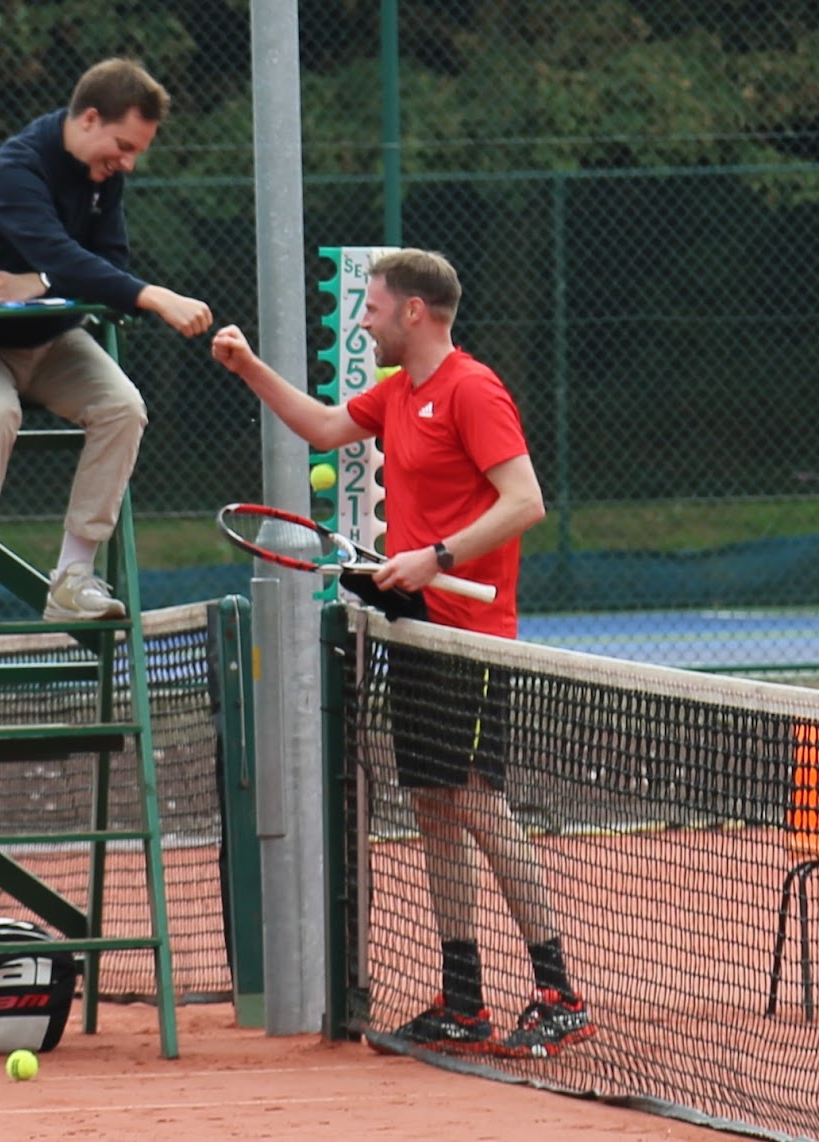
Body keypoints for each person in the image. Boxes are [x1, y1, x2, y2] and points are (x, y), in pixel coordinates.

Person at [211, 249, 593, 1060]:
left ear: (414, 311)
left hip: (471, 635)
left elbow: (526, 501)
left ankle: (559, 989)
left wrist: (439, 557)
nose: (365, 321)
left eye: (374, 310)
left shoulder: (472, 389)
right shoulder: (399, 394)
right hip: (419, 629)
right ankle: (465, 1002)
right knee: (433, 808)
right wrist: (247, 366)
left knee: (477, 802)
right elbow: (320, 425)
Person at [0, 57, 213, 630]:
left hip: (52, 342)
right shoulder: (17, 170)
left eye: (135, 153)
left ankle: (73, 579)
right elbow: (66, 254)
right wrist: (154, 297)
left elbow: (107, 263)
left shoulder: (105, 176)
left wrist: (40, 284)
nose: (126, 163)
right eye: (122, 145)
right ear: (89, 119)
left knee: (123, 408)